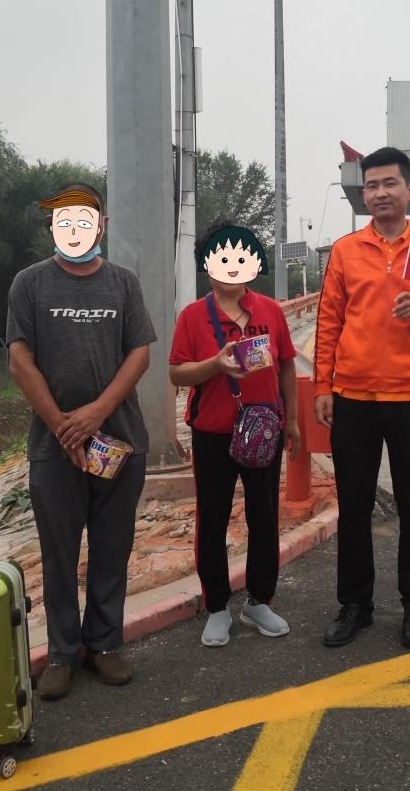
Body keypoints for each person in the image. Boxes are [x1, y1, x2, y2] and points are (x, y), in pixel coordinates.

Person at [6, 182, 156, 701]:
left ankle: (104, 644)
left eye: (85, 219)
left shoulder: (123, 284)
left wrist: (95, 414)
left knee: (112, 549)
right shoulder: (29, 284)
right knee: (59, 554)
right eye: (65, 220)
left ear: (102, 225)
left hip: (119, 442)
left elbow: (140, 354)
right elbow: (19, 361)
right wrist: (62, 424)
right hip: (54, 449)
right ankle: (63, 653)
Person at [314, 147, 410, 649]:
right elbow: (329, 322)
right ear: (364, 194)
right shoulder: (346, 251)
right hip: (353, 398)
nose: (380, 193)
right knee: (354, 508)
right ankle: (354, 605)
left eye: (389, 183)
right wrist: (323, 386)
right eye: (371, 185)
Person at [168, 222, 300, 647]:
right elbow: (176, 373)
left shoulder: (270, 311)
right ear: (208, 265)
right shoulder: (193, 316)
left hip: (263, 430)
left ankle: (260, 600)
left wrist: (292, 421)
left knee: (264, 515)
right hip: (212, 433)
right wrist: (215, 365)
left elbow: (285, 365)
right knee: (213, 517)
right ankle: (217, 607)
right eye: (223, 258)